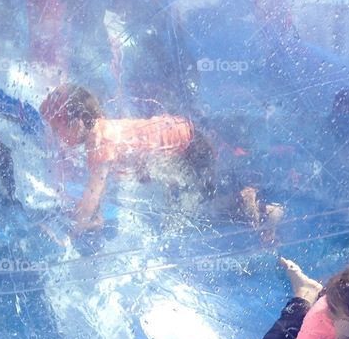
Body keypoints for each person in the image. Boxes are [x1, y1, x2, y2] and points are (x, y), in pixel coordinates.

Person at [39, 83, 216, 235]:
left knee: (202, 204)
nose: (56, 136)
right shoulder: (102, 128)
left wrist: (76, 228)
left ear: (77, 123)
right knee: (176, 189)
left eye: (56, 129)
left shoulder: (100, 143)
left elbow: (95, 190)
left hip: (187, 144)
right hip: (181, 131)